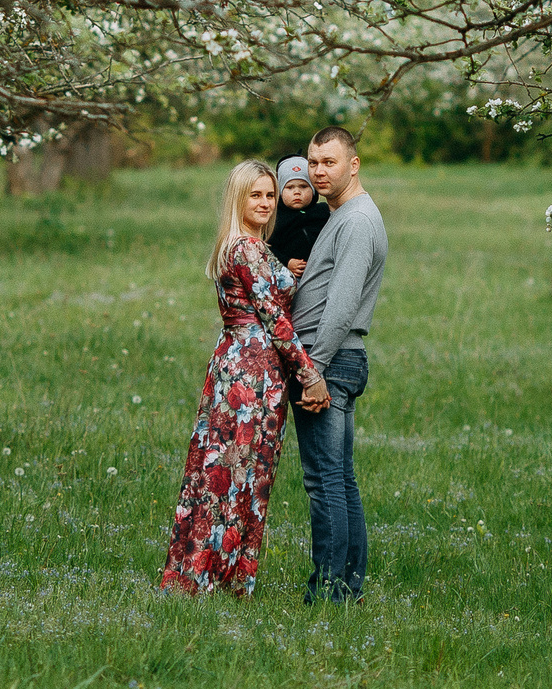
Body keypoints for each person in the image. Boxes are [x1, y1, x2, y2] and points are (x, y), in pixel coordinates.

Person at [160, 160, 331, 596]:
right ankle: (214, 579)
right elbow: (275, 318)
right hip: (252, 372)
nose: (265, 202)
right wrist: (309, 374)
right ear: (238, 197)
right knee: (239, 473)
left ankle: (209, 575)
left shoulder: (241, 245)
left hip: (235, 361)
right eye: (255, 194)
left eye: (269, 195)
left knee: (225, 468)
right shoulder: (248, 249)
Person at [289, 125, 387, 603]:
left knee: (323, 479)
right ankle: (346, 587)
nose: (318, 171)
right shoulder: (340, 216)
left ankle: (329, 592)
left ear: (354, 164)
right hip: (330, 360)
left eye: (329, 161)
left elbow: (343, 304)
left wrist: (313, 371)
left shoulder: (356, 221)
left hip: (329, 361)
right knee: (338, 477)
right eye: (313, 161)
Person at [268, 155, 333, 278]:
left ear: (313, 189)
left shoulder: (323, 211)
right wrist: (287, 262)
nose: (297, 192)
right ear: (280, 192)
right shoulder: (276, 218)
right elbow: (269, 249)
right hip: (291, 277)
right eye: (290, 187)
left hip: (323, 273)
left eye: (303, 186)